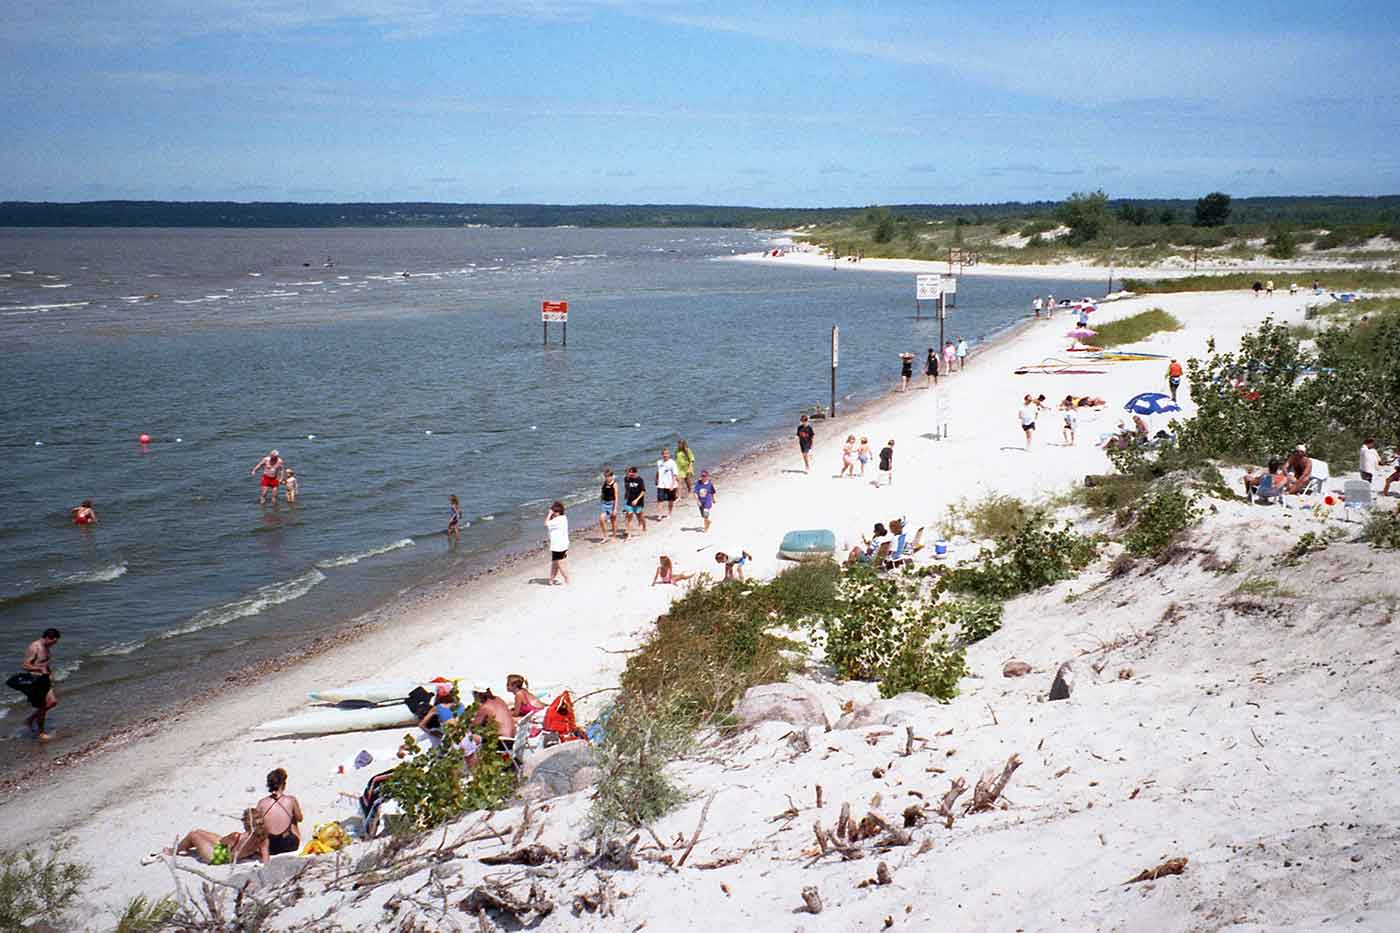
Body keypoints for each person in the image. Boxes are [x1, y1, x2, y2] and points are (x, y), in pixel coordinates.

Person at [161, 809, 267, 865]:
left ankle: (174, 851)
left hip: (216, 858)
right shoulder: (262, 838)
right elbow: (265, 858)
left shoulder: (237, 836)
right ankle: (188, 845)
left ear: (246, 823)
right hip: (229, 854)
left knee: (193, 834)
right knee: (198, 832)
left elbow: (222, 842)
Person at [9, 629, 60, 740]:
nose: (53, 644)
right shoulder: (34, 647)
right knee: (43, 707)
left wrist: (50, 675)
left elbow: (44, 663)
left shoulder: (46, 646)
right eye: (53, 642)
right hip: (36, 680)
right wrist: (40, 669)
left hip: (44, 679)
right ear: (47, 638)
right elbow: (25, 665)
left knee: (52, 702)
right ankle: (40, 733)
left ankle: (29, 720)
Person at [256, 768, 304, 858]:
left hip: (270, 847)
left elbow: (255, 824)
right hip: (289, 844)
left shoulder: (261, 803)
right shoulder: (291, 800)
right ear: (282, 784)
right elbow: (300, 818)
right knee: (293, 820)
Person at [467, 685, 517, 766]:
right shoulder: (499, 699)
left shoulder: (485, 707)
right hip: (511, 739)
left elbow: (473, 727)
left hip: (501, 742)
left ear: (477, 694)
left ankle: (473, 767)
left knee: (469, 737)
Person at [545, 501, 570, 585]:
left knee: (559, 563)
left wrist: (549, 514)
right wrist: (552, 514)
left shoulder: (557, 520)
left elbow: (546, 523)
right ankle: (551, 580)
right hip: (563, 544)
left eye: (555, 511)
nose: (554, 513)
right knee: (555, 563)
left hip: (558, 546)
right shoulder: (563, 518)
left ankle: (567, 579)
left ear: (559, 512)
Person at [622, 466, 647, 538]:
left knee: (640, 515)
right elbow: (627, 488)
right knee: (629, 514)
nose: (629, 474)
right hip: (629, 500)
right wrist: (626, 495)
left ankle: (644, 526)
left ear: (635, 473)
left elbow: (643, 491)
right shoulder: (626, 479)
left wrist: (636, 500)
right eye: (628, 472)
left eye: (631, 472)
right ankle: (629, 534)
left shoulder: (640, 480)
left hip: (638, 501)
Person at [655, 448, 679, 519]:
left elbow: (675, 474)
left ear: (669, 454)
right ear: (662, 454)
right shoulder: (659, 462)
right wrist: (656, 479)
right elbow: (658, 471)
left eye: (666, 454)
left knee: (670, 500)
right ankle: (660, 515)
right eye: (663, 454)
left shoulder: (672, 462)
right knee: (660, 500)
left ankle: (669, 513)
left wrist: (672, 484)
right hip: (661, 484)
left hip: (670, 485)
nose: (665, 455)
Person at [693, 469, 717, 533]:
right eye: (702, 476)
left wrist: (714, 499)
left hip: (707, 501)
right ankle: (708, 521)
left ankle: (706, 528)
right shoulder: (698, 483)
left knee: (706, 514)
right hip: (701, 502)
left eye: (705, 476)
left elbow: (713, 492)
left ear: (707, 476)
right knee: (703, 515)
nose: (703, 477)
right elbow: (695, 493)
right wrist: (697, 501)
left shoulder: (710, 484)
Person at [598, 469, 619, 540]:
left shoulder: (614, 484)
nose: (607, 478)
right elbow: (602, 492)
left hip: (612, 503)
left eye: (608, 476)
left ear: (612, 476)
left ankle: (614, 536)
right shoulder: (604, 483)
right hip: (604, 503)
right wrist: (601, 500)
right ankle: (605, 536)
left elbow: (616, 497)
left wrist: (615, 508)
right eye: (606, 476)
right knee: (601, 519)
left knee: (613, 520)